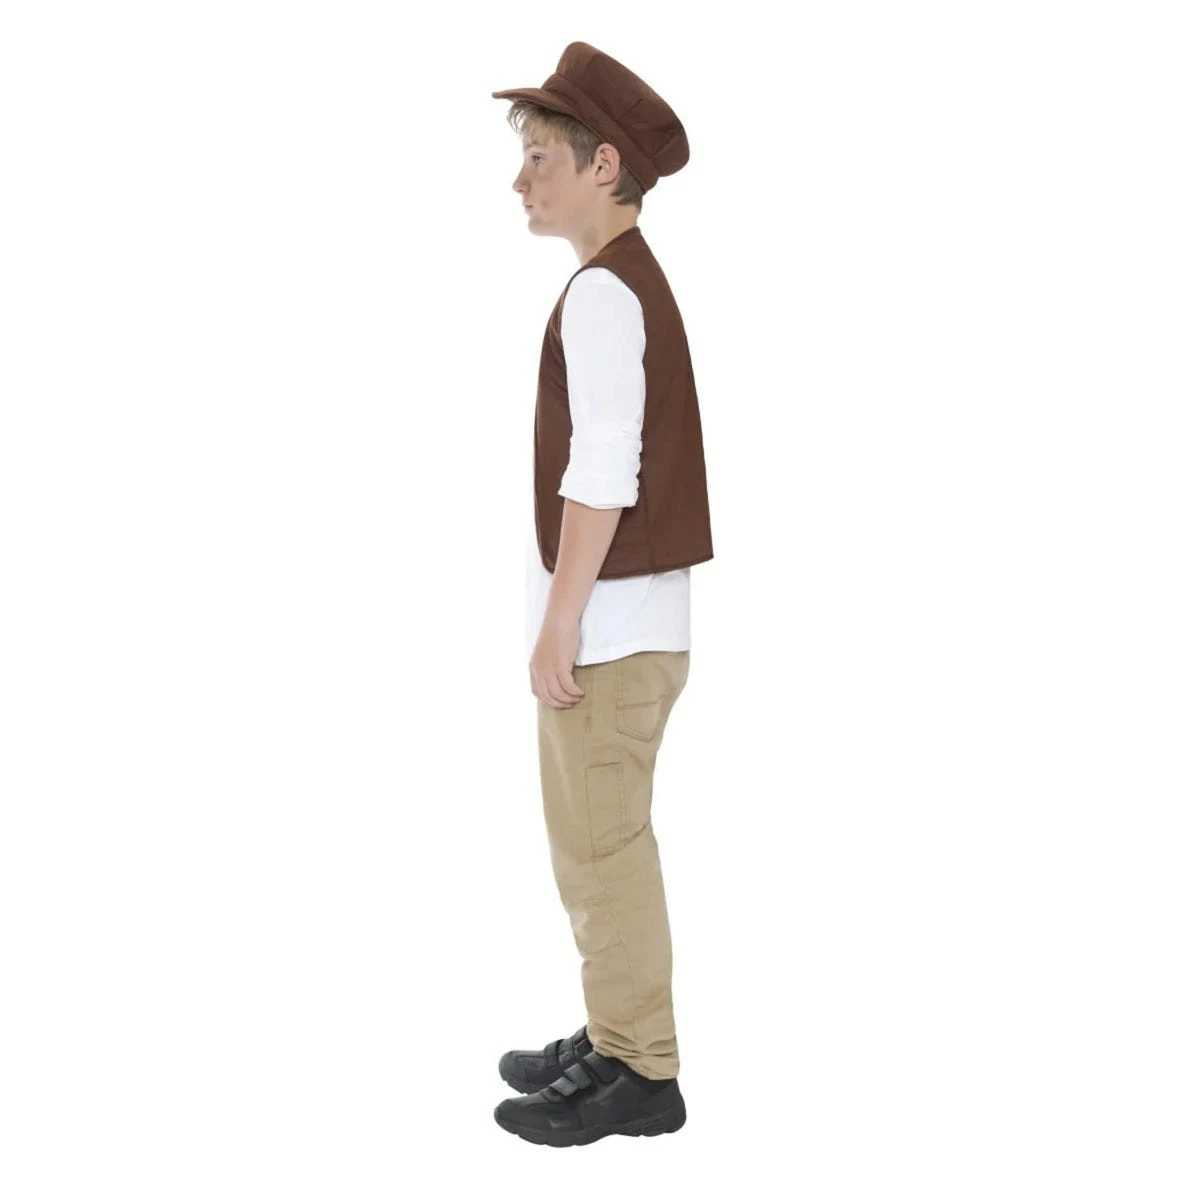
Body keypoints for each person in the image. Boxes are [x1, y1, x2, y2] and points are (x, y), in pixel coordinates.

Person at [489, 41, 715, 1148]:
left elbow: (603, 470)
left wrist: (560, 622)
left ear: (603, 165)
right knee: (601, 843)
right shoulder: (621, 283)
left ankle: (640, 1067)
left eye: (540, 158)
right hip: (635, 628)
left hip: (611, 634)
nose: (520, 181)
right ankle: (617, 1024)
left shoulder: (602, 292)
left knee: (601, 848)